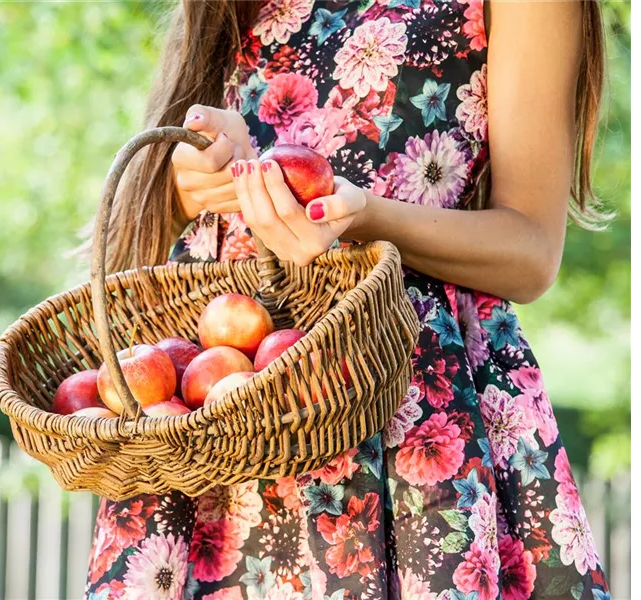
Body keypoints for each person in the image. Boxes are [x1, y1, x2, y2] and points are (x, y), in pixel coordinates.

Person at [85, 1, 612, 598]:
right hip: (221, 424)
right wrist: (186, 185)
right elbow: (138, 247)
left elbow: (532, 251)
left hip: (408, 412)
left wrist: (364, 218)